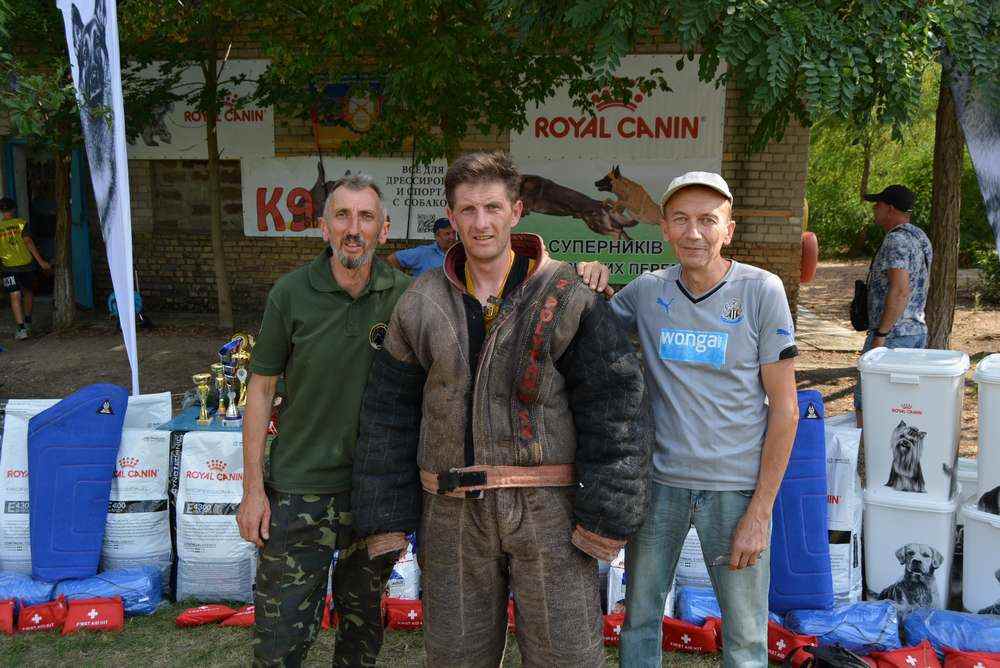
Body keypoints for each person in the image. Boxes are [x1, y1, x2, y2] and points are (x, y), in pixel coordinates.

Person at [352, 151, 652, 667]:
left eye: (492, 207)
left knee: (565, 658)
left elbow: (615, 405)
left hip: (550, 512)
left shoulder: (568, 295)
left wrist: (606, 513)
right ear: (451, 216)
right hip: (450, 511)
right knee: (456, 658)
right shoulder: (421, 302)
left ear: (516, 211)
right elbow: (389, 413)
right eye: (467, 210)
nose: (481, 222)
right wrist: (385, 517)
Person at [578, 171, 800, 667]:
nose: (693, 232)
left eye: (707, 220)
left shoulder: (761, 291)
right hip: (660, 485)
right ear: (664, 228)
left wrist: (760, 512)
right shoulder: (647, 292)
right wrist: (590, 276)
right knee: (640, 619)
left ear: (729, 230)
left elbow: (785, 410)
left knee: (745, 634)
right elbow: (590, 328)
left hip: (734, 489)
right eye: (680, 219)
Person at [237, 173, 410, 666]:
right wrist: (253, 490)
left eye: (366, 217)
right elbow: (260, 391)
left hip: (373, 493)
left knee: (362, 635)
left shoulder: (406, 297)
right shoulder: (291, 293)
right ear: (323, 226)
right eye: (342, 216)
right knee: (280, 639)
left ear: (383, 229)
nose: (354, 229)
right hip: (298, 489)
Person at [855, 184, 932, 427]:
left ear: (890, 208)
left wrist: (881, 335)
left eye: (877, 204)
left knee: (867, 401)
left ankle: (867, 449)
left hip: (893, 335)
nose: (874, 209)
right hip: (916, 331)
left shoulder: (896, 240)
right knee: (903, 404)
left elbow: (900, 290)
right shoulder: (920, 237)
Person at [0, 197, 50, 340]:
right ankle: (28, 321)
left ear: (1, 211)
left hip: (8, 267)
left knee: (14, 296)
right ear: (14, 209)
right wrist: (41, 262)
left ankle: (21, 329)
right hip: (26, 265)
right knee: (28, 292)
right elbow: (28, 242)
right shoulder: (21, 224)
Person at [385, 217, 457, 277]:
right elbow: (393, 259)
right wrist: (402, 281)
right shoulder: (423, 253)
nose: (452, 237)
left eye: (454, 233)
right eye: (447, 234)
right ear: (437, 236)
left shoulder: (459, 253)